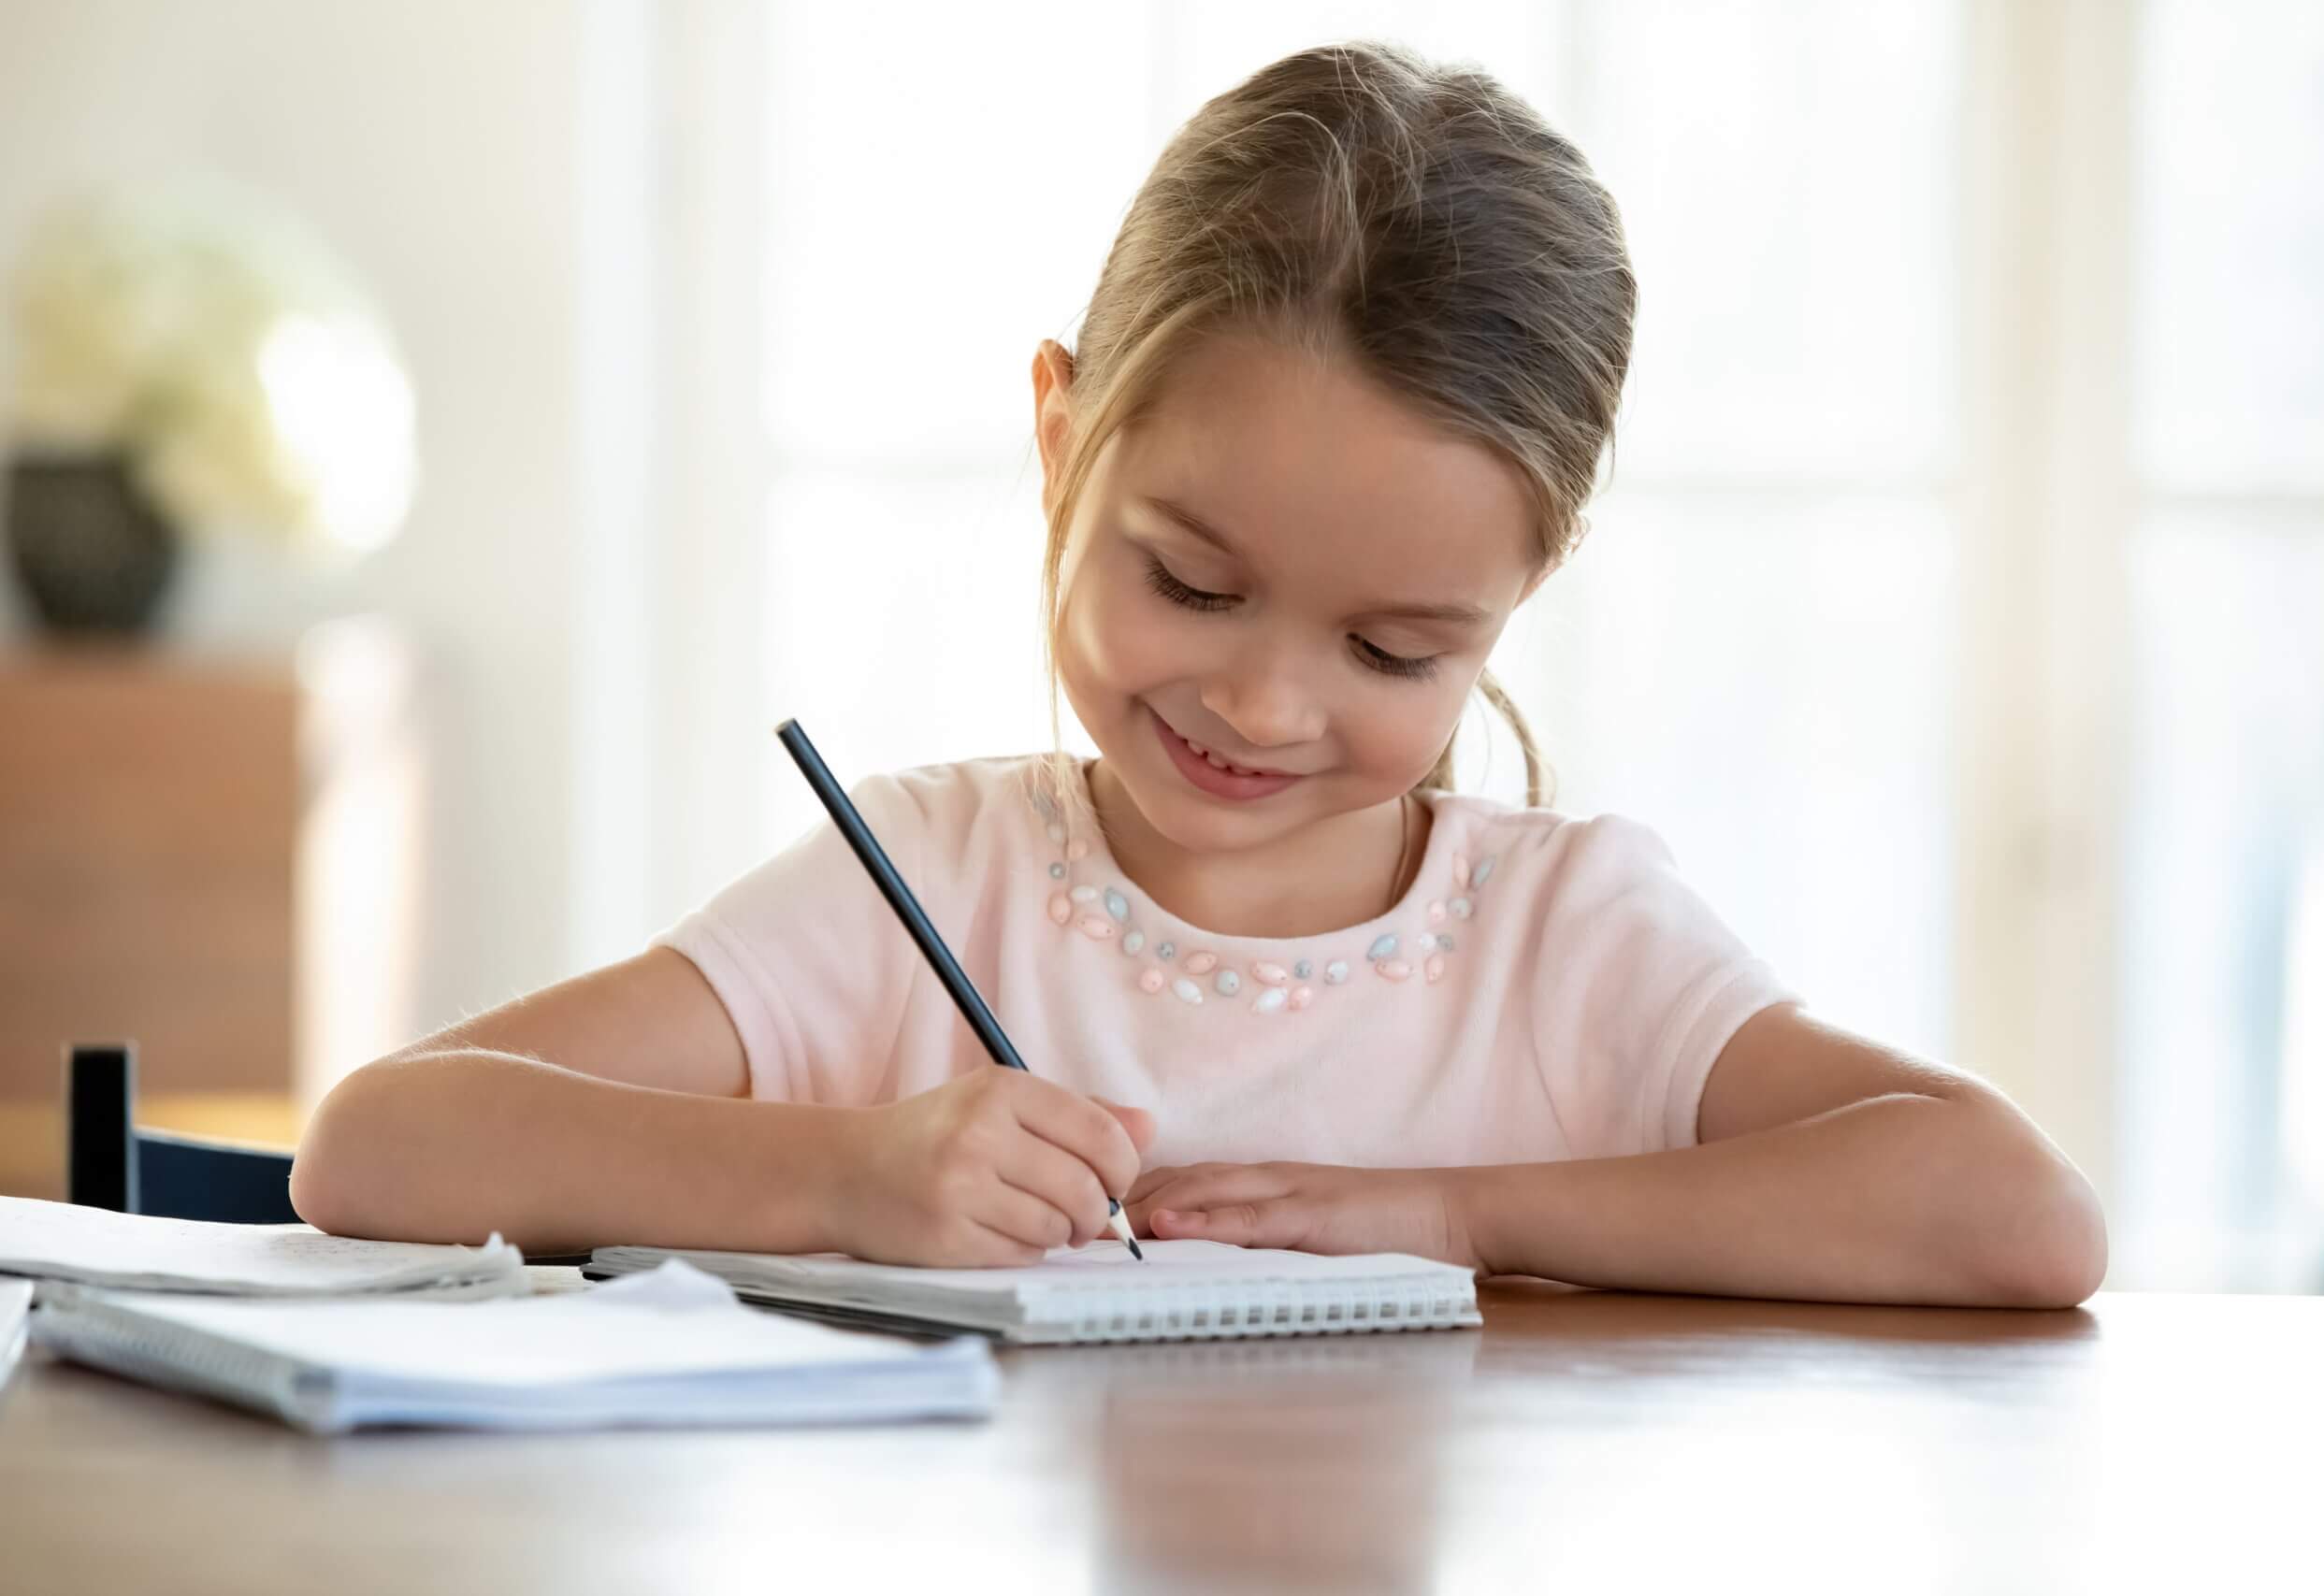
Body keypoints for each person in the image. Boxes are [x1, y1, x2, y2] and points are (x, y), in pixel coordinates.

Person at [294, 42, 2105, 1307]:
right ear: (1058, 435)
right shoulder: (921, 880)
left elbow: (2017, 1211)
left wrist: (1442, 1215)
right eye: (1190, 579)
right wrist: (841, 1177)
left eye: (1393, 645)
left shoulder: (1558, 942)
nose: (1259, 703)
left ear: (1516, 587)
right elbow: (378, 1145)